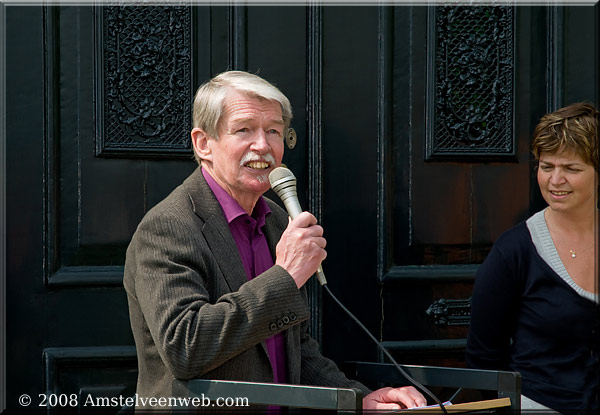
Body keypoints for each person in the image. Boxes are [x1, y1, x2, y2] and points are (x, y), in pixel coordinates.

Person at [123, 70, 426, 411]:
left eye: (274, 131)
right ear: (203, 143)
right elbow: (185, 348)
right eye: (244, 130)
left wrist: (357, 399)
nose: (263, 146)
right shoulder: (168, 227)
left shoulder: (278, 220)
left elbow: (293, 347)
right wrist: (284, 276)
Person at [466, 102, 600, 412]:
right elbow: (483, 362)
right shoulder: (514, 251)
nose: (555, 180)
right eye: (546, 166)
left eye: (571, 168)